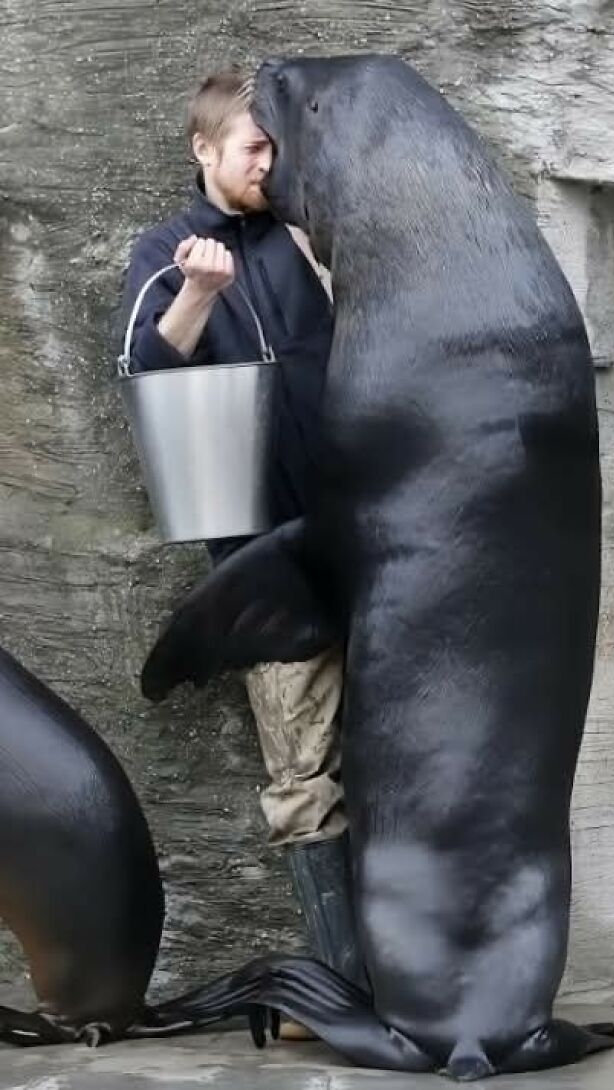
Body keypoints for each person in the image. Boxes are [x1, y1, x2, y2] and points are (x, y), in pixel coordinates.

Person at [119, 71, 365, 1025]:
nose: (268, 164)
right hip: (269, 570)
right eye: (253, 148)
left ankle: (409, 974)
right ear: (204, 149)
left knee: (397, 759)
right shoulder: (166, 253)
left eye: (275, 148)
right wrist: (197, 293)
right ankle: (339, 993)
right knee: (303, 780)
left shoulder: (310, 233)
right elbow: (147, 368)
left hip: (368, 539)